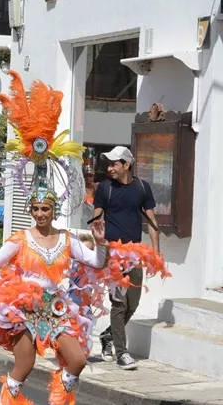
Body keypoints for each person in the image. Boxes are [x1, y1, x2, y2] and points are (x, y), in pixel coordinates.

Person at [0, 71, 168, 405]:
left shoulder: (66, 240)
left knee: (76, 361)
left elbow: (95, 262)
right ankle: (8, 400)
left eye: (47, 208)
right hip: (25, 310)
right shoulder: (20, 241)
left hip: (58, 311)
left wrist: (101, 242)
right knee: (25, 364)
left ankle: (59, 401)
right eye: (37, 209)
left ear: (53, 210)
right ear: (31, 211)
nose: (42, 214)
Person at [94, 145, 160, 370]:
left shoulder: (142, 187)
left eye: (114, 164)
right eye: (109, 164)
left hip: (135, 253)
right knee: (119, 303)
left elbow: (152, 221)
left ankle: (108, 336)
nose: (109, 168)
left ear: (126, 165)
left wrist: (155, 252)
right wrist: (98, 241)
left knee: (134, 302)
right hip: (113, 254)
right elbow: (96, 220)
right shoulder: (104, 188)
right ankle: (122, 353)